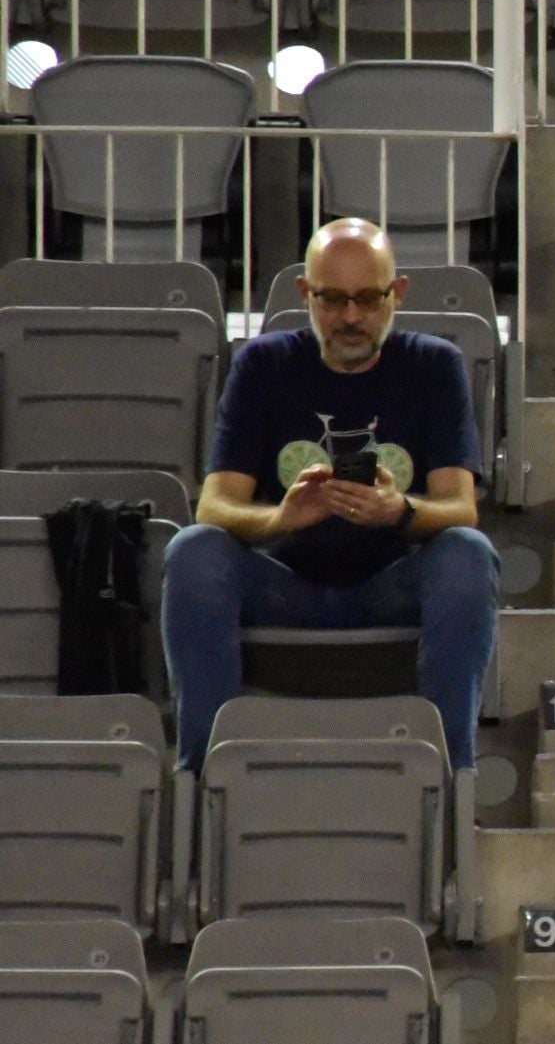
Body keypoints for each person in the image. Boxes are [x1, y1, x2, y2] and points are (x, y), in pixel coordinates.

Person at [162, 218, 498, 771]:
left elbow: (461, 509)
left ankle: (449, 778)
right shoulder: (264, 365)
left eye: (368, 299)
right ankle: (204, 780)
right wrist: (282, 519)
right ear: (305, 295)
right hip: (285, 583)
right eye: (332, 299)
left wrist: (399, 511)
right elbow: (215, 506)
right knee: (193, 551)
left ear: (398, 294)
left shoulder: (433, 366)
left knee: (468, 555)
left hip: (393, 584)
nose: (350, 318)